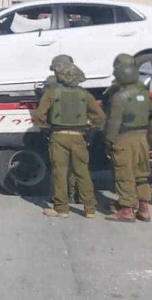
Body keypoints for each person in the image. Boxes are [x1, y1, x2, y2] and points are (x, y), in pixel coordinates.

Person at [32, 55, 105, 218]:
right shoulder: (85, 94)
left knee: (59, 173)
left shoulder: (52, 93)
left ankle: (61, 208)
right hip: (79, 137)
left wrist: (46, 128)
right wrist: (91, 129)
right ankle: (90, 209)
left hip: (58, 136)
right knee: (83, 172)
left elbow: (38, 116)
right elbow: (100, 117)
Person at [104, 54, 152, 222]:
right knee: (142, 174)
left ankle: (126, 209)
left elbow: (113, 123)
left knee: (124, 173)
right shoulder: (145, 93)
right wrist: (151, 140)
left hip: (124, 138)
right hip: (143, 137)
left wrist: (108, 141)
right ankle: (144, 208)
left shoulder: (118, 96)